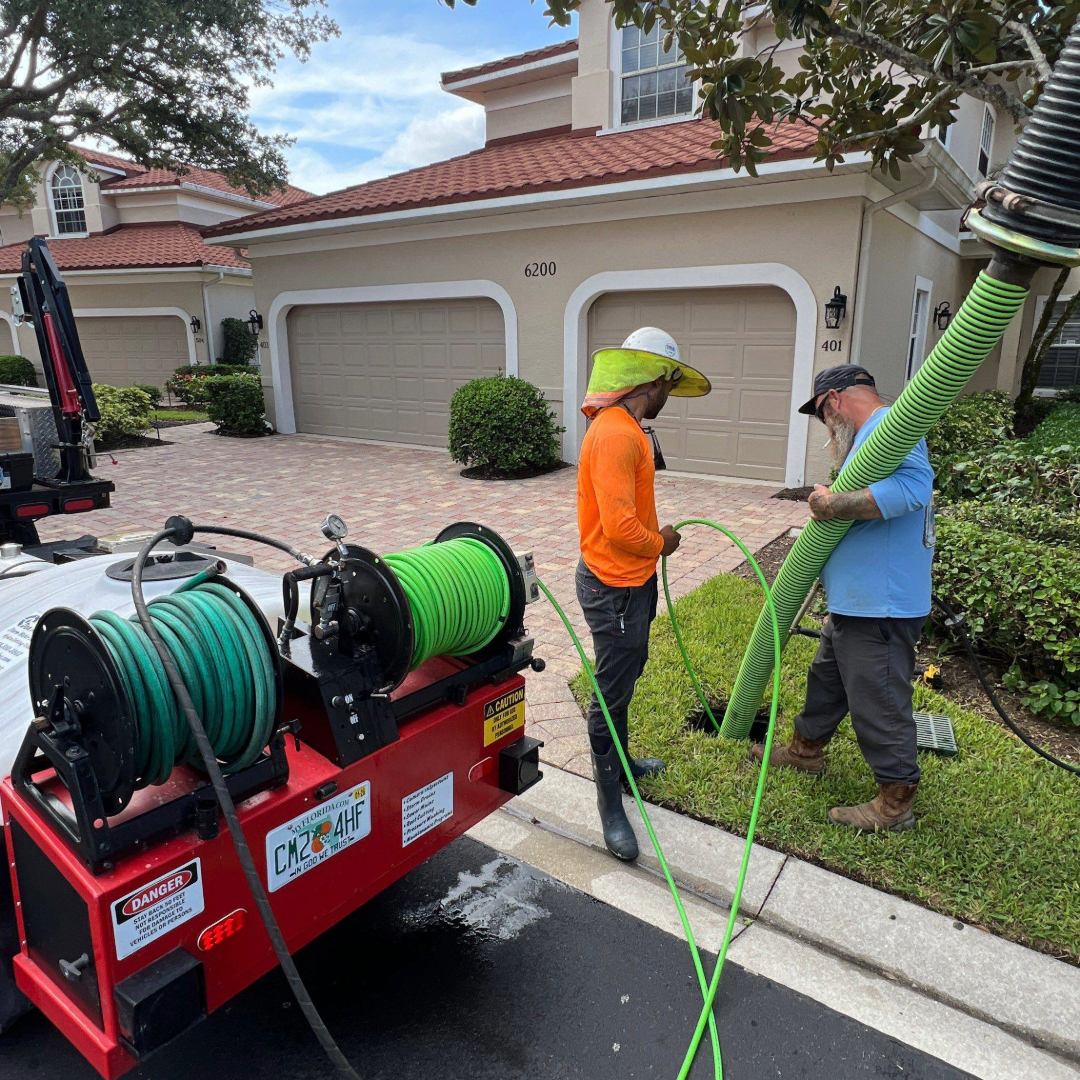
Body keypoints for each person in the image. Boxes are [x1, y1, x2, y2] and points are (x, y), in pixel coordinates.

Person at [752, 364, 934, 833]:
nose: (823, 425)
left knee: (878, 700)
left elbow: (916, 488)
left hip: (882, 603)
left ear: (833, 400)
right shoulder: (873, 435)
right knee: (827, 682)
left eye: (819, 414)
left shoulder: (893, 426)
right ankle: (805, 752)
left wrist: (835, 504)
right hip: (858, 602)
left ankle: (896, 804)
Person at [576, 327, 712, 860]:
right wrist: (664, 542)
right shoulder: (616, 434)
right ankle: (611, 805)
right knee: (609, 694)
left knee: (627, 676)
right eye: (668, 387)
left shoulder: (626, 428)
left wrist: (652, 544)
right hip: (613, 586)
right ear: (652, 381)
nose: (667, 399)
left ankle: (623, 764)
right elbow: (618, 530)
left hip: (632, 583)